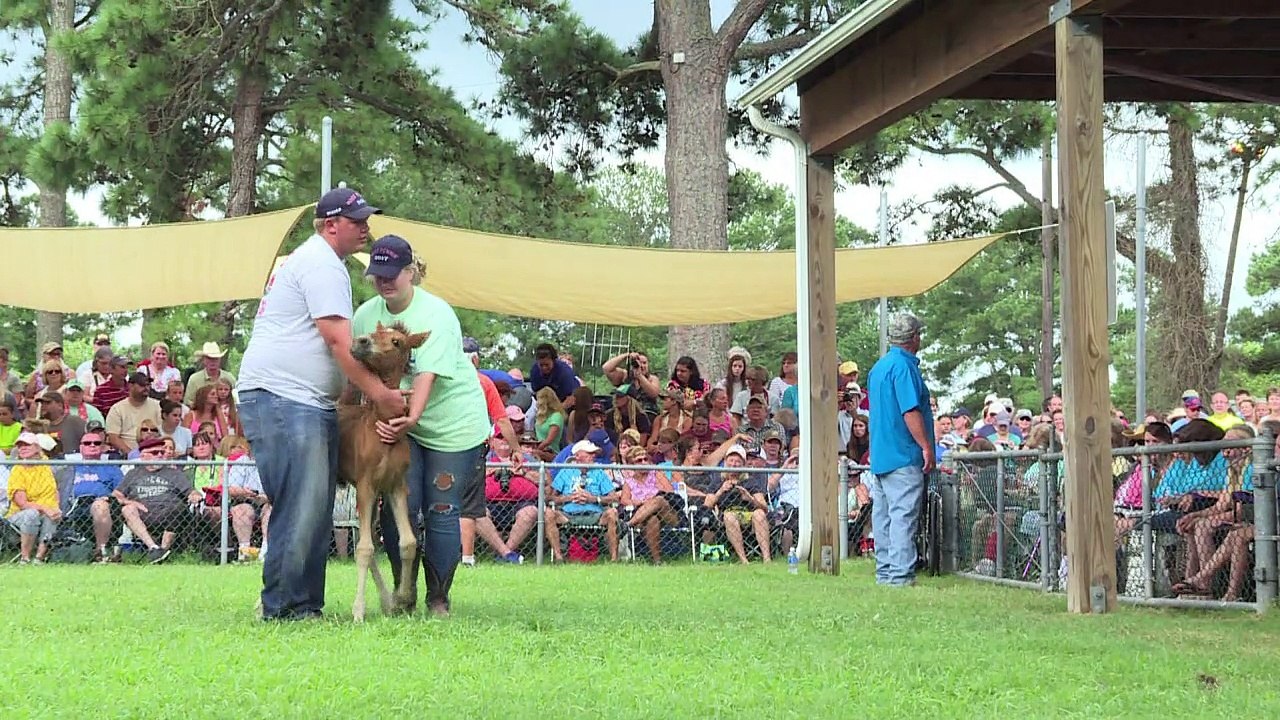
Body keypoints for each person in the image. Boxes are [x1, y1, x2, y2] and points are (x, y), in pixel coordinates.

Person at [236, 188, 405, 621]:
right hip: (286, 399)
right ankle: (283, 608)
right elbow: (337, 341)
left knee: (312, 504)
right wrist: (380, 393)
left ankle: (304, 605)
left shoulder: (314, 261)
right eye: (357, 221)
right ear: (331, 225)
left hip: (295, 400)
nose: (366, 227)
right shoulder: (322, 265)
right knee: (301, 503)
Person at [358, 235, 492, 617]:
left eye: (392, 274)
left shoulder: (437, 314)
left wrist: (410, 418)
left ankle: (438, 599)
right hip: (401, 425)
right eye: (377, 274)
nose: (384, 282)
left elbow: (426, 377)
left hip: (453, 425)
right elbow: (355, 368)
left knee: (441, 508)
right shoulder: (367, 315)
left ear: (410, 271)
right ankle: (404, 594)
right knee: (400, 503)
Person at [866, 312, 934, 587]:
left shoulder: (878, 368)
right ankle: (901, 576)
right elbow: (909, 410)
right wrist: (926, 446)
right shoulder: (905, 368)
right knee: (903, 516)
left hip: (881, 454)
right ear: (914, 337)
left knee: (883, 517)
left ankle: (885, 573)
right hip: (903, 453)